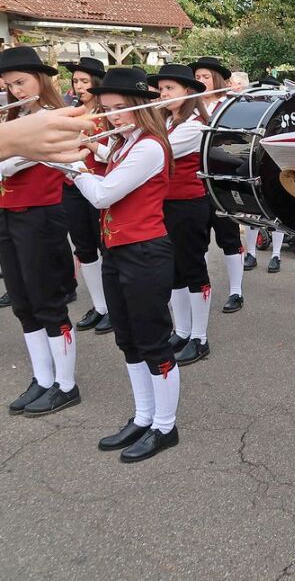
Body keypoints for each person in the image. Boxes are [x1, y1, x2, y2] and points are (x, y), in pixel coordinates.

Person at [70, 67, 183, 462]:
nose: (112, 115)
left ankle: (165, 427)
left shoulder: (150, 145)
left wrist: (71, 164)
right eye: (107, 108)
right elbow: (110, 162)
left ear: (140, 106)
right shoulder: (124, 142)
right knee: (128, 339)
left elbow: (103, 195)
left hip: (145, 252)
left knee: (152, 340)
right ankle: (144, 416)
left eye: (120, 108)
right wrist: (92, 148)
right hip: (118, 250)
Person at [0, 47, 80, 416]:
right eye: (9, 84)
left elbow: (13, 164)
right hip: (8, 213)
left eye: (21, 82)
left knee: (47, 301)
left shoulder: (51, 117)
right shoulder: (14, 118)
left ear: (40, 80)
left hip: (40, 215)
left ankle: (66, 385)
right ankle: (42, 377)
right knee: (22, 302)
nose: (15, 90)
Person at [149, 64, 214, 366]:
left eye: (169, 89)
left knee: (192, 268)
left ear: (187, 91)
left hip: (188, 205)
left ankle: (199, 337)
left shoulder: (194, 125)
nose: (163, 94)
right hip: (165, 204)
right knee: (172, 270)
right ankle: (182, 330)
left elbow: (160, 152)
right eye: (161, 89)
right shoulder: (166, 121)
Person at [190, 57, 246, 314]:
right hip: (193, 181)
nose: (201, 80)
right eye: (197, 77)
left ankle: (236, 291)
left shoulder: (231, 105)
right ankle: (200, 286)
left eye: (206, 76)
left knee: (228, 236)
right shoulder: (188, 108)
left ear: (217, 80)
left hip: (222, 179)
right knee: (196, 240)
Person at [60, 57, 111, 334]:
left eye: (84, 81)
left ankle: (114, 307)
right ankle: (100, 305)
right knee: (84, 249)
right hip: (73, 185)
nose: (78, 87)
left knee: (106, 248)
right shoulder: (72, 113)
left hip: (101, 185)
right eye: (75, 81)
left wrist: (90, 145)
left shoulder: (109, 114)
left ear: (96, 83)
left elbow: (114, 154)